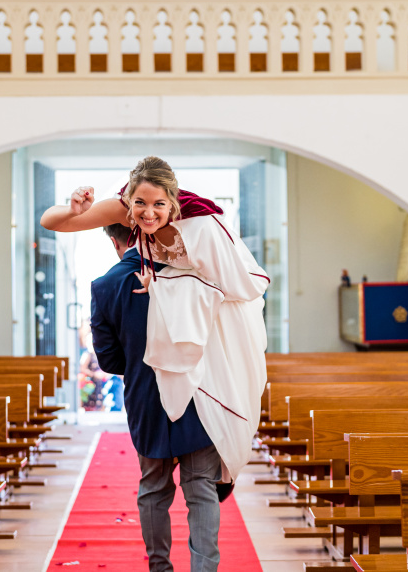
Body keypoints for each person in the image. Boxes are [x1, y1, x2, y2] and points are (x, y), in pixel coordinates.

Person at [40, 155, 268, 486]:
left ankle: (219, 468)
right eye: (139, 203)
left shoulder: (201, 225)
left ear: (172, 201)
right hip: (171, 315)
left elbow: (237, 287)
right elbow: (51, 221)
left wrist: (169, 285)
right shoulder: (124, 207)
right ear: (128, 199)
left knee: (226, 399)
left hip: (224, 311)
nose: (148, 213)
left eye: (158, 204)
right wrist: (74, 209)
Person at [90, 222, 223, 571]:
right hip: (197, 394)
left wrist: (139, 362)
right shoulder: (189, 273)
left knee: (153, 488)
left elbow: (109, 360)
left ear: (117, 243)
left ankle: (160, 567)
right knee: (201, 488)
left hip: (146, 399)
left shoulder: (104, 286)